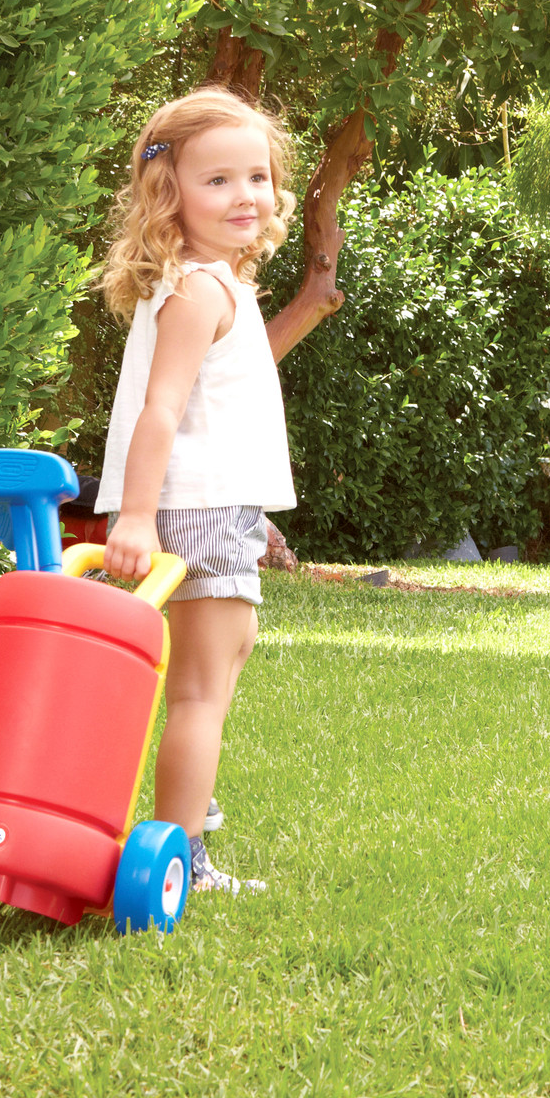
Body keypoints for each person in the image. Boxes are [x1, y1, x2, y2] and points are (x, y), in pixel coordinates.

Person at [94, 86, 342, 894]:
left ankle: (188, 816)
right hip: (191, 509)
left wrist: (249, 516)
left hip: (212, 507)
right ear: (170, 193)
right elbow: (160, 412)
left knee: (221, 666)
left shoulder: (214, 285)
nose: (246, 196)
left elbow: (206, 412)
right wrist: (137, 516)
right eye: (217, 181)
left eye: (257, 177)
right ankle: (183, 852)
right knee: (203, 691)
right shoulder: (200, 289)